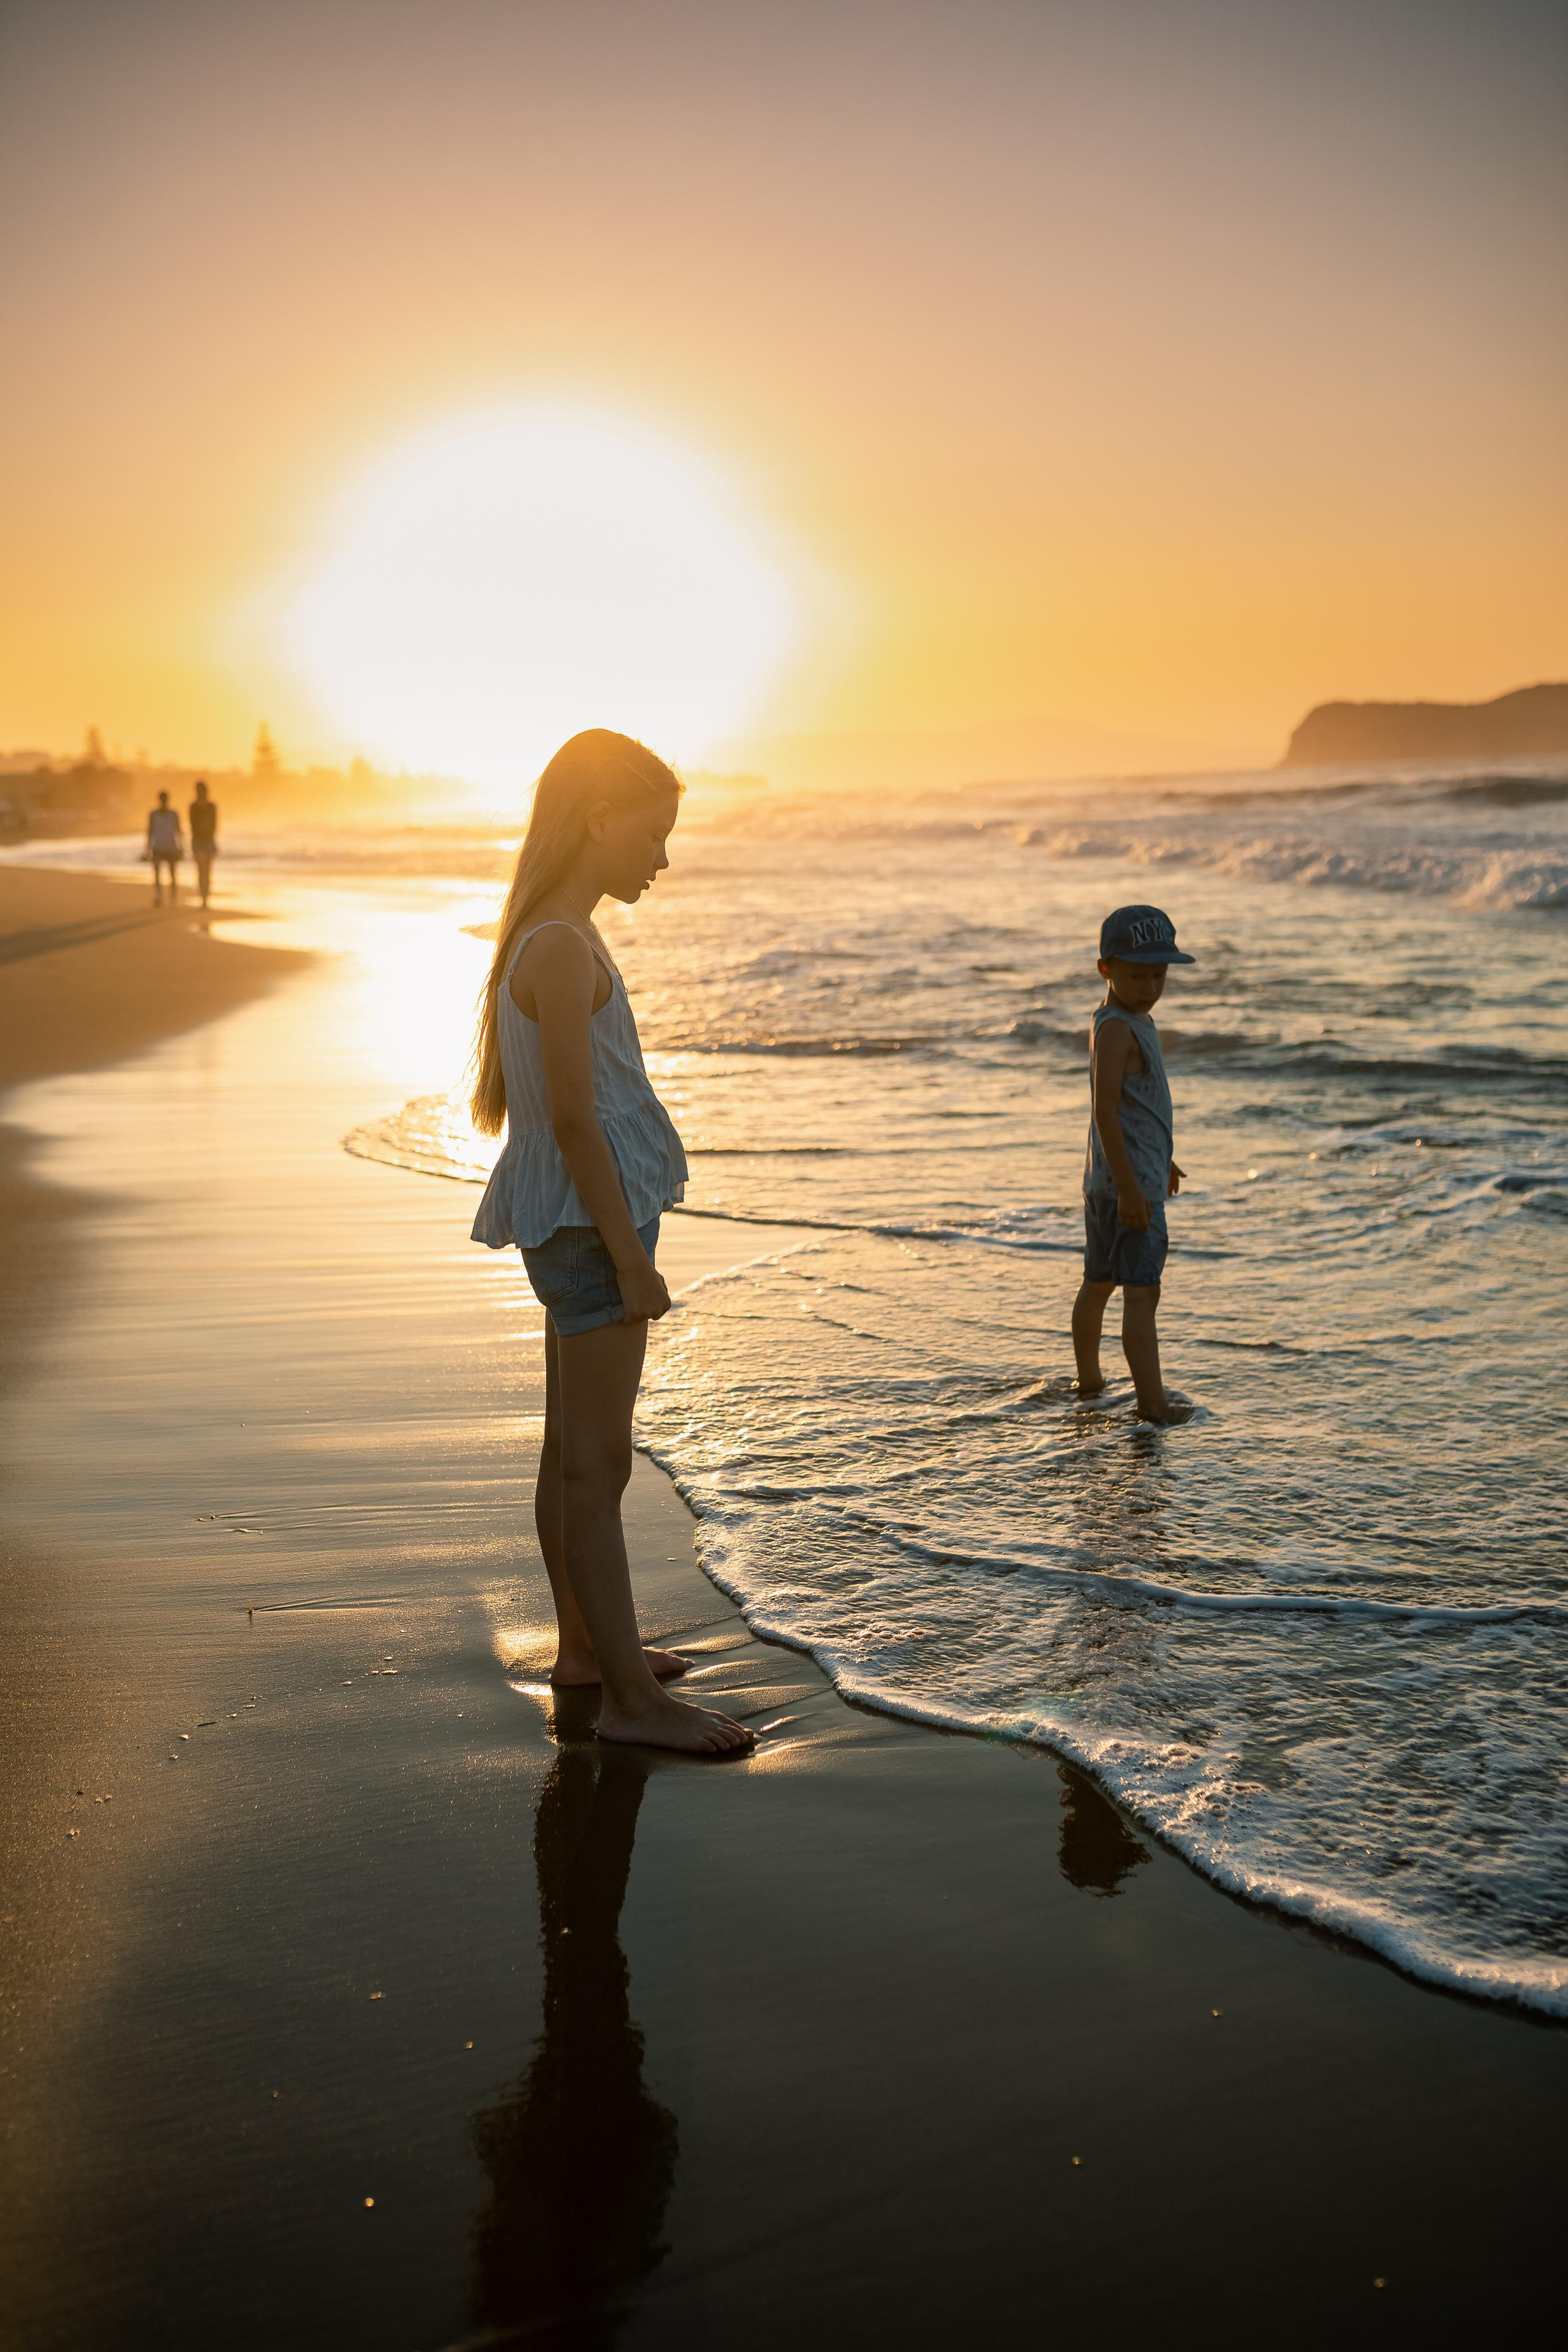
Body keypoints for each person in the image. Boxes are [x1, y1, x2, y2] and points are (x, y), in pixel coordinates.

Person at [469, 729, 755, 1757]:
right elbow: (576, 1121)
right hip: (592, 1234)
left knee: (572, 1457)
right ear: (598, 820)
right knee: (597, 1467)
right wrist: (632, 1258)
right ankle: (631, 1701)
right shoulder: (557, 943)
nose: (663, 858)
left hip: (581, 1226)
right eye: (653, 833)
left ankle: (587, 1650)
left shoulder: (558, 933)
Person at [1071, 903, 1194, 1423]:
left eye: (1158, 975)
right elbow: (1104, 1111)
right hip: (1127, 1189)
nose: (1149, 987)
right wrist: (1129, 1187)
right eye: (1137, 976)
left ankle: (1090, 1382)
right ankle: (1152, 1405)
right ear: (1106, 969)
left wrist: (1164, 1158)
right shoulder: (1119, 1029)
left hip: (1113, 1181)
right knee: (1142, 1294)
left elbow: (1135, 1109)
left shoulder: (1124, 1021)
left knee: (1099, 1283)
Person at [144, 790, 183, 905]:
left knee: (173, 874)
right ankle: (159, 897)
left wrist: (181, 847)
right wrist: (148, 848)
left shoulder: (174, 814)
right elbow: (150, 832)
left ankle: (173, 898)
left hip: (171, 847)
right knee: (157, 874)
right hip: (158, 847)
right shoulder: (153, 814)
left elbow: (179, 831)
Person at [188, 779, 217, 908]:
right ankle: (203, 897)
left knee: (208, 871)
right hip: (198, 840)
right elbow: (192, 825)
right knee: (201, 870)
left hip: (208, 840)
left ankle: (206, 897)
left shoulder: (212, 806)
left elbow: (215, 825)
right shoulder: (193, 806)